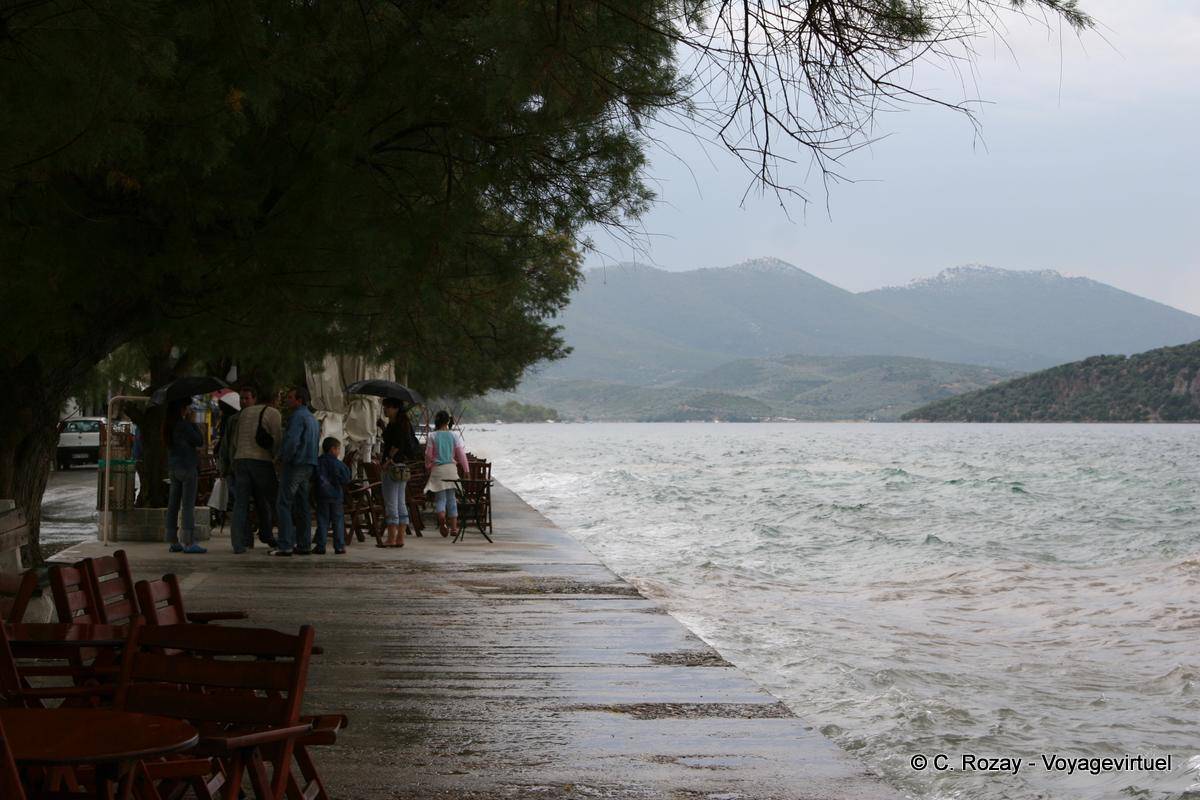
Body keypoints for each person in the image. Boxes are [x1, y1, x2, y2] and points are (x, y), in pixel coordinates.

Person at [229, 383, 282, 554]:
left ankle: (238, 544)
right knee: (275, 500)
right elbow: (277, 439)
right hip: (260, 461)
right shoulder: (273, 413)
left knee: (240, 503)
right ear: (274, 398)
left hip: (240, 460)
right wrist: (276, 459)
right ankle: (284, 538)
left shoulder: (244, 413)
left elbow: (235, 441)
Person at [274, 386, 320, 556]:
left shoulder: (297, 417)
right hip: (309, 464)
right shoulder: (312, 418)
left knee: (283, 503)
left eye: (290, 397)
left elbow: (292, 441)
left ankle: (285, 544)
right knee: (302, 505)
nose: (287, 400)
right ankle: (304, 544)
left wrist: (282, 458)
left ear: (299, 400)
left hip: (295, 464)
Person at [163, 399, 207, 554]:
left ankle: (172, 540)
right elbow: (199, 440)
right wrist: (192, 422)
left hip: (174, 467)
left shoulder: (168, 425)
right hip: (188, 467)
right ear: (182, 409)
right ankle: (188, 541)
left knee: (173, 504)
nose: (189, 410)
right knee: (187, 505)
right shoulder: (185, 425)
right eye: (187, 407)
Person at [379, 398, 421, 547]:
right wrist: (383, 427)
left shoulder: (396, 425)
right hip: (403, 467)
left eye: (388, 407)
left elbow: (396, 445)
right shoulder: (404, 424)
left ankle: (391, 538)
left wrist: (387, 461)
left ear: (396, 408)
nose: (385, 409)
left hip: (392, 467)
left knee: (391, 502)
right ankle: (400, 538)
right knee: (400, 502)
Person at [424, 409, 470, 538]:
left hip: (438, 470)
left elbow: (428, 455)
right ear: (448, 421)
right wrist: (466, 470)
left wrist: (428, 466)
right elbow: (461, 454)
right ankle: (454, 528)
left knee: (440, 499)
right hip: (451, 470)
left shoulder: (432, 436)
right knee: (452, 499)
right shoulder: (454, 435)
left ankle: (442, 520)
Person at [314, 436, 352, 555]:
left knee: (322, 520)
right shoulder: (339, 464)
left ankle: (321, 546)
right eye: (338, 449)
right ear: (333, 449)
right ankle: (339, 546)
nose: (339, 451)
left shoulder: (318, 462)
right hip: (336, 497)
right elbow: (346, 479)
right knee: (338, 521)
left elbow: (313, 476)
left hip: (321, 496)